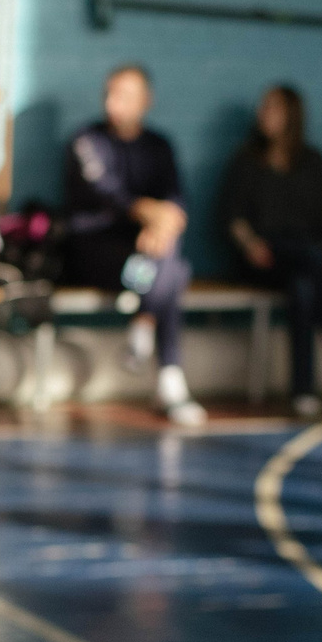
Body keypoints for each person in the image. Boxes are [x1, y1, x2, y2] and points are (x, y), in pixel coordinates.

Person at [217, 82, 322, 416]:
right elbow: (230, 214)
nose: (263, 113)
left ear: (291, 115)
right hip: (260, 258)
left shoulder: (313, 161)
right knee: (309, 260)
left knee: (304, 287)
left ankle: (304, 390)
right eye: (262, 106)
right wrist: (250, 243)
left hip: (304, 259)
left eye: (272, 107)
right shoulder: (245, 160)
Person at [63, 63, 205, 427]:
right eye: (108, 94)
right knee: (175, 272)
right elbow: (108, 194)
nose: (113, 103)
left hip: (145, 260)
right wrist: (150, 213)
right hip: (97, 255)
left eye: (123, 95)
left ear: (146, 101)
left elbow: (177, 200)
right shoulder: (87, 141)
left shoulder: (159, 146)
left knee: (167, 262)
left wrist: (164, 220)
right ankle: (166, 374)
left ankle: (148, 334)